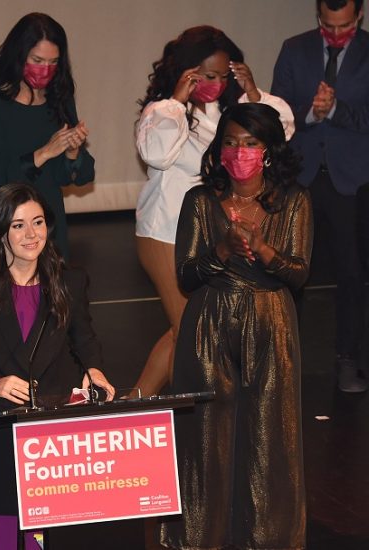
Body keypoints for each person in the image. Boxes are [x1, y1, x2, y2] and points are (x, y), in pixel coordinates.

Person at [0, 182, 115, 549]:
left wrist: (94, 369)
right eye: (18, 225)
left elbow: (84, 338)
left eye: (39, 222)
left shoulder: (70, 281)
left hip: (48, 444)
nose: (32, 234)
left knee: (45, 539)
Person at [161, 103, 312, 549]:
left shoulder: (294, 201)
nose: (239, 152)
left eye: (250, 143)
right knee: (205, 440)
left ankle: (267, 538)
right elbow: (186, 276)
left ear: (269, 150)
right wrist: (223, 250)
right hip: (209, 326)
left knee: (270, 437)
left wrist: (263, 249)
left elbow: (298, 274)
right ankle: (197, 539)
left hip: (271, 326)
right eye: (230, 142)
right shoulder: (200, 200)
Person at [132, 26, 295, 398]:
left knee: (183, 329)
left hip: (202, 234)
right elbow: (157, 154)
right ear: (187, 70)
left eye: (224, 76)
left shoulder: (227, 112)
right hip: (165, 231)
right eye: (208, 76)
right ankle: (190, 417)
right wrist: (177, 99)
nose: (217, 84)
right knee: (190, 331)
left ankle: (132, 405)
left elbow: (280, 132)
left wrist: (253, 94)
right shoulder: (162, 111)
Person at [271, 0, 368, 392]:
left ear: (359, 17)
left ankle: (347, 360)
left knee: (351, 273)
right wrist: (311, 113)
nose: (335, 34)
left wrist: (336, 111)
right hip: (302, 176)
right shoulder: (295, 48)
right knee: (290, 272)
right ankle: (281, 360)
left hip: (352, 181)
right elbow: (277, 111)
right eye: (328, 26)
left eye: (344, 27)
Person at [0, 12, 94, 259]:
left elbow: (80, 177)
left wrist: (72, 152)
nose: (45, 70)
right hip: (7, 224)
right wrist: (44, 152)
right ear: (18, 55)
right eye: (37, 60)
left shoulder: (60, 99)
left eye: (53, 63)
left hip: (49, 224)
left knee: (52, 295)